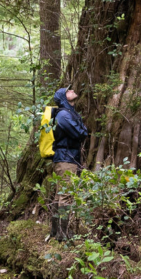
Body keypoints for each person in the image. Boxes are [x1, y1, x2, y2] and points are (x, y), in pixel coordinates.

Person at [50, 87, 88, 241]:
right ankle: (62, 234)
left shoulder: (67, 113)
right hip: (66, 159)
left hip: (66, 158)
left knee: (60, 195)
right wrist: (83, 129)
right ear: (63, 97)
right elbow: (81, 133)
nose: (72, 90)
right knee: (65, 197)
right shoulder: (64, 115)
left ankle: (56, 231)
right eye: (68, 90)